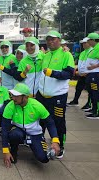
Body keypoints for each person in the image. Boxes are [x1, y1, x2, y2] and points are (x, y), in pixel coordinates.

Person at [2, 83, 60, 167]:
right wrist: (5, 150)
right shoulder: (10, 106)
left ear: (25, 97)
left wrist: (55, 141)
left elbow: (50, 123)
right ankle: (13, 151)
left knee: (44, 159)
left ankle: (35, 145)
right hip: (18, 131)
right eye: (13, 95)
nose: (13, 98)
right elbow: (4, 129)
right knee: (14, 134)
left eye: (16, 96)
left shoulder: (37, 106)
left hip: (34, 133)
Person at [36, 30, 75, 159]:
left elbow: (69, 74)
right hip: (43, 95)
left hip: (57, 96)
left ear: (59, 40)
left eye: (53, 39)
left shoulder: (66, 54)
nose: (50, 41)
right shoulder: (46, 55)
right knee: (41, 120)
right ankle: (39, 142)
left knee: (58, 121)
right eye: (48, 39)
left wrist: (52, 73)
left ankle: (60, 146)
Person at [67, 37, 92, 108]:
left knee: (90, 90)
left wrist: (87, 72)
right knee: (78, 88)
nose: (83, 44)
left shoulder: (92, 52)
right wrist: (77, 69)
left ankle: (89, 104)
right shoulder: (83, 53)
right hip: (81, 75)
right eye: (83, 43)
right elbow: (81, 63)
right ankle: (75, 101)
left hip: (88, 74)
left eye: (85, 43)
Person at [84, 32, 99, 119]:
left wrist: (94, 66)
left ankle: (96, 112)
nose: (88, 42)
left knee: (95, 93)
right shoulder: (94, 48)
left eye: (89, 40)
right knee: (92, 92)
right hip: (91, 74)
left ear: (93, 40)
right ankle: (93, 109)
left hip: (95, 74)